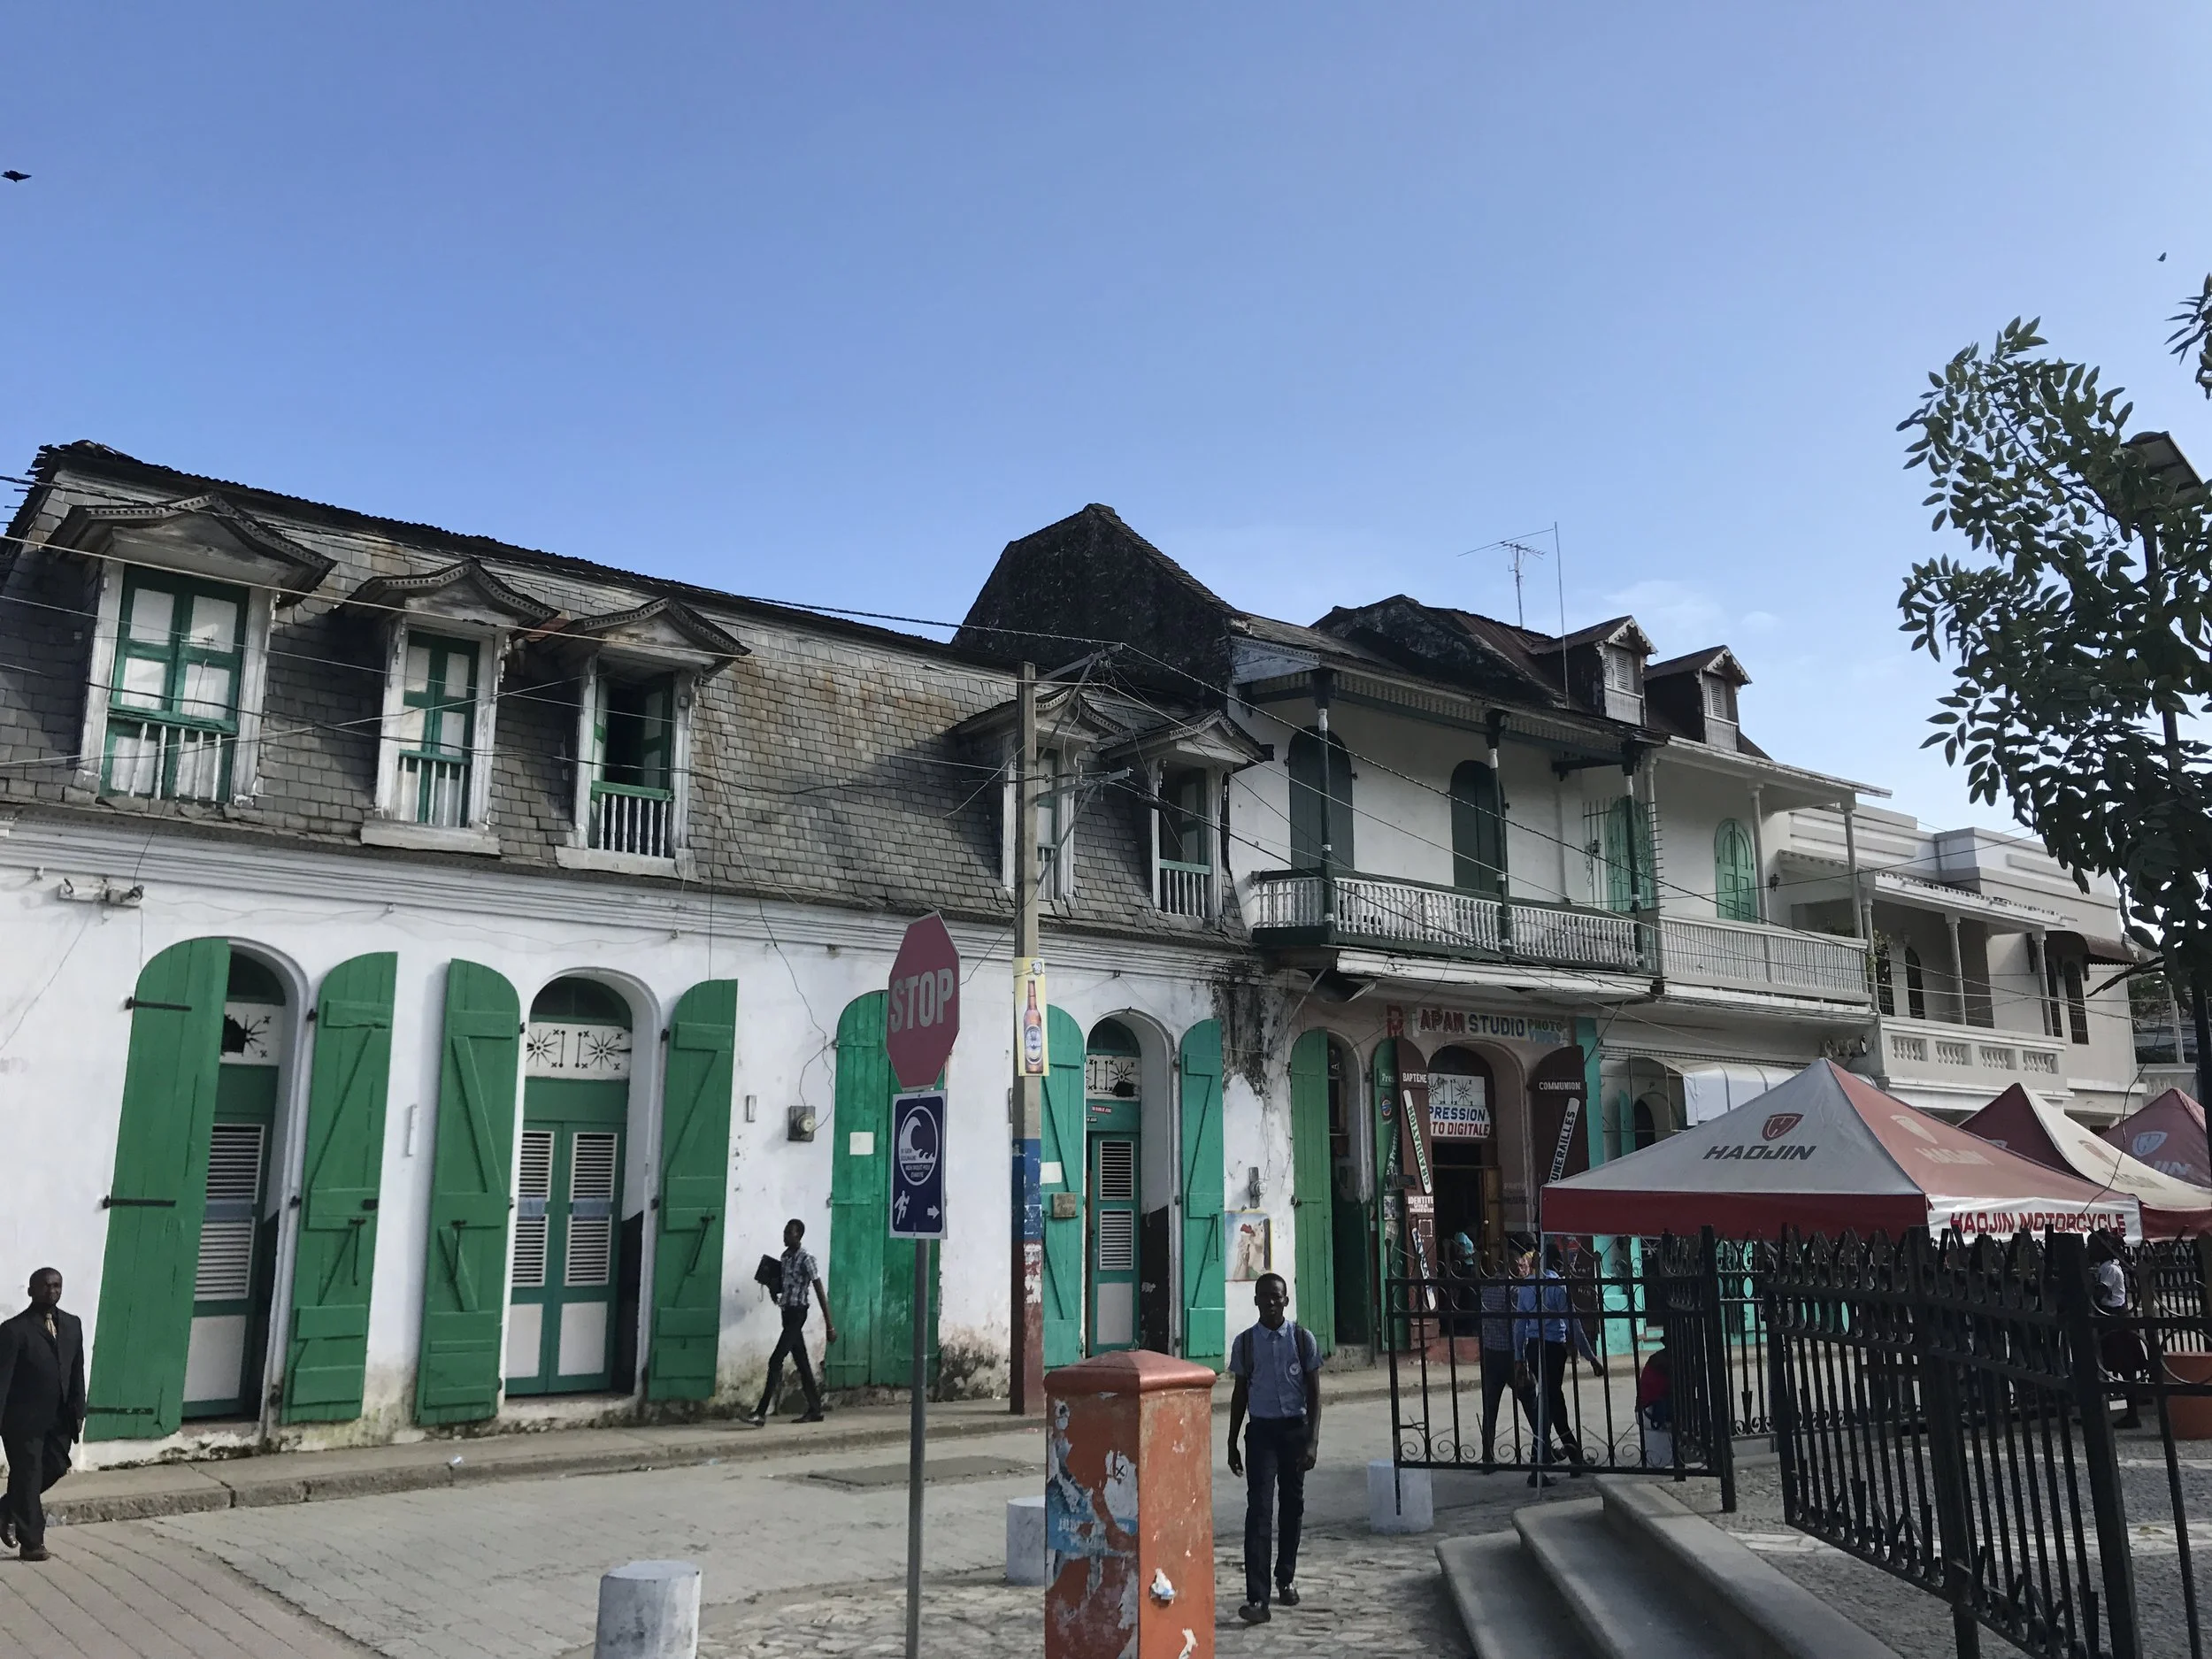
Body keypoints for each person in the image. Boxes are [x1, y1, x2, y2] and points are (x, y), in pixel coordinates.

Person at [1225, 1272, 1320, 1626]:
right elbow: (1239, 1394)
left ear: (1286, 1300)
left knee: (1292, 1507)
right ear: (1255, 1301)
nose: (1270, 1302)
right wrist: (1232, 1440)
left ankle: (1286, 1577)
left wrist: (1311, 1440)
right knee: (1259, 1510)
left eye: (1276, 1296)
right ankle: (1257, 1597)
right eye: (1263, 1296)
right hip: (1261, 1433)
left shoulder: (1301, 1339)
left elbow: (1314, 1394)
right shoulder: (1246, 1343)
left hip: (1294, 1431)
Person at [0, 1268, 85, 1563]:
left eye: (57, 1285)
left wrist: (79, 1409)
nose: (52, 1291)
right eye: (46, 1285)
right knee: (28, 1474)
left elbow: (77, 1372)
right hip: (21, 1420)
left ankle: (5, 1509)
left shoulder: (73, 1325)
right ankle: (32, 1543)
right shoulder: (14, 1330)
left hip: (59, 1418)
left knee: (56, 1466)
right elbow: (3, 1379)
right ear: (32, 1290)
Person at [1513, 1243, 1601, 1486]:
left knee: (1552, 1401)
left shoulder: (1528, 1286)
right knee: (1550, 1403)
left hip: (1533, 1348)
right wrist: (1591, 1356)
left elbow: (1520, 1325)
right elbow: (1572, 1323)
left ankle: (1573, 1457)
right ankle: (1538, 1466)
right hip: (1553, 1348)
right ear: (1556, 1263)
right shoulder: (1557, 1287)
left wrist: (1519, 1357)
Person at [747, 1219, 835, 1425]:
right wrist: (771, 1287)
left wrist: (829, 1325)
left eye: (789, 1233)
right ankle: (815, 1409)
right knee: (802, 1363)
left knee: (775, 1359)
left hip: (798, 1314)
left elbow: (819, 1289)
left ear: (799, 1236)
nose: (785, 1236)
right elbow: (783, 1285)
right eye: (785, 1232)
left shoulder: (807, 1258)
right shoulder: (785, 1258)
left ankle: (760, 1412)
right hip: (786, 1312)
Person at [1477, 1247, 1532, 1467]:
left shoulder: (1487, 1288)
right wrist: (1523, 1358)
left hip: (1490, 1353)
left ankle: (1487, 1455)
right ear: (1510, 1266)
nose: (1521, 1270)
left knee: (1490, 1406)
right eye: (1518, 1266)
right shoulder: (1515, 1292)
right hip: (1510, 1355)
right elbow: (1519, 1327)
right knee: (1530, 1400)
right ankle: (1542, 1448)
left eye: (1522, 1266)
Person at [2088, 1231, 2147, 1431]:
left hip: (2116, 1319)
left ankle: (2132, 1414)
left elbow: (2099, 1294)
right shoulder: (2104, 1268)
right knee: (2108, 1366)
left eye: (2092, 1246)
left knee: (2125, 1368)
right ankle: (2103, 1412)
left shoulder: (2111, 1270)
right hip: (2109, 1319)